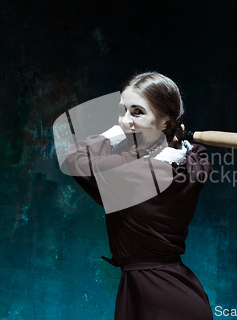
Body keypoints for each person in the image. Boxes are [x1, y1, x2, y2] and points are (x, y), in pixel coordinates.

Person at [64, 72, 213, 320]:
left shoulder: (132, 172)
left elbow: (75, 158)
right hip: (171, 290)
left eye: (137, 112)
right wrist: (175, 143)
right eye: (122, 111)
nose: (124, 121)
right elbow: (197, 154)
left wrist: (113, 135)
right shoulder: (190, 163)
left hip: (156, 297)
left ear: (165, 121)